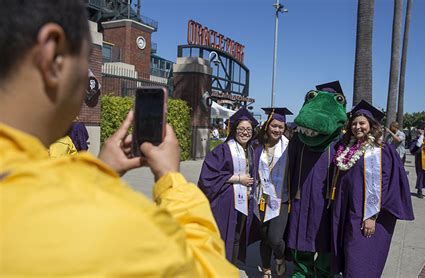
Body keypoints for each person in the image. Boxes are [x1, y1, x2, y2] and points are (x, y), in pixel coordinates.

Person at [0, 1, 238, 276]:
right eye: (86, 59)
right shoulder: (118, 227)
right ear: (53, 54)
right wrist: (171, 180)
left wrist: (99, 172)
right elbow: (210, 270)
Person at [330, 100, 414, 277]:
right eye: (354, 123)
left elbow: (385, 185)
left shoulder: (381, 150)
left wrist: (372, 216)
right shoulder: (346, 148)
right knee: (347, 255)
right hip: (346, 212)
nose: (357, 127)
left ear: (371, 125)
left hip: (365, 215)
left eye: (362, 123)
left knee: (359, 260)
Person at [286, 81, 348, 278]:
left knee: (325, 238)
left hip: (327, 201)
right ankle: (301, 272)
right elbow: (290, 165)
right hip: (301, 196)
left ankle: (322, 272)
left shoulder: (341, 142)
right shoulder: (298, 139)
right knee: (301, 235)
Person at [198, 107, 258, 264]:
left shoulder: (251, 150)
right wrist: (238, 179)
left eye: (248, 129)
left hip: (245, 201)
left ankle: (230, 267)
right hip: (226, 202)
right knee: (223, 234)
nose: (245, 132)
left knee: (237, 236)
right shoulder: (223, 149)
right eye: (241, 129)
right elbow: (208, 175)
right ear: (234, 130)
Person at [253, 107, 292, 277]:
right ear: (267, 125)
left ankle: (280, 256)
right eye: (274, 126)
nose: (277, 130)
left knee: (275, 238)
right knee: (264, 236)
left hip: (280, 198)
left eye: (280, 127)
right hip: (260, 197)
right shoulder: (257, 146)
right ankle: (266, 268)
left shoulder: (289, 147)